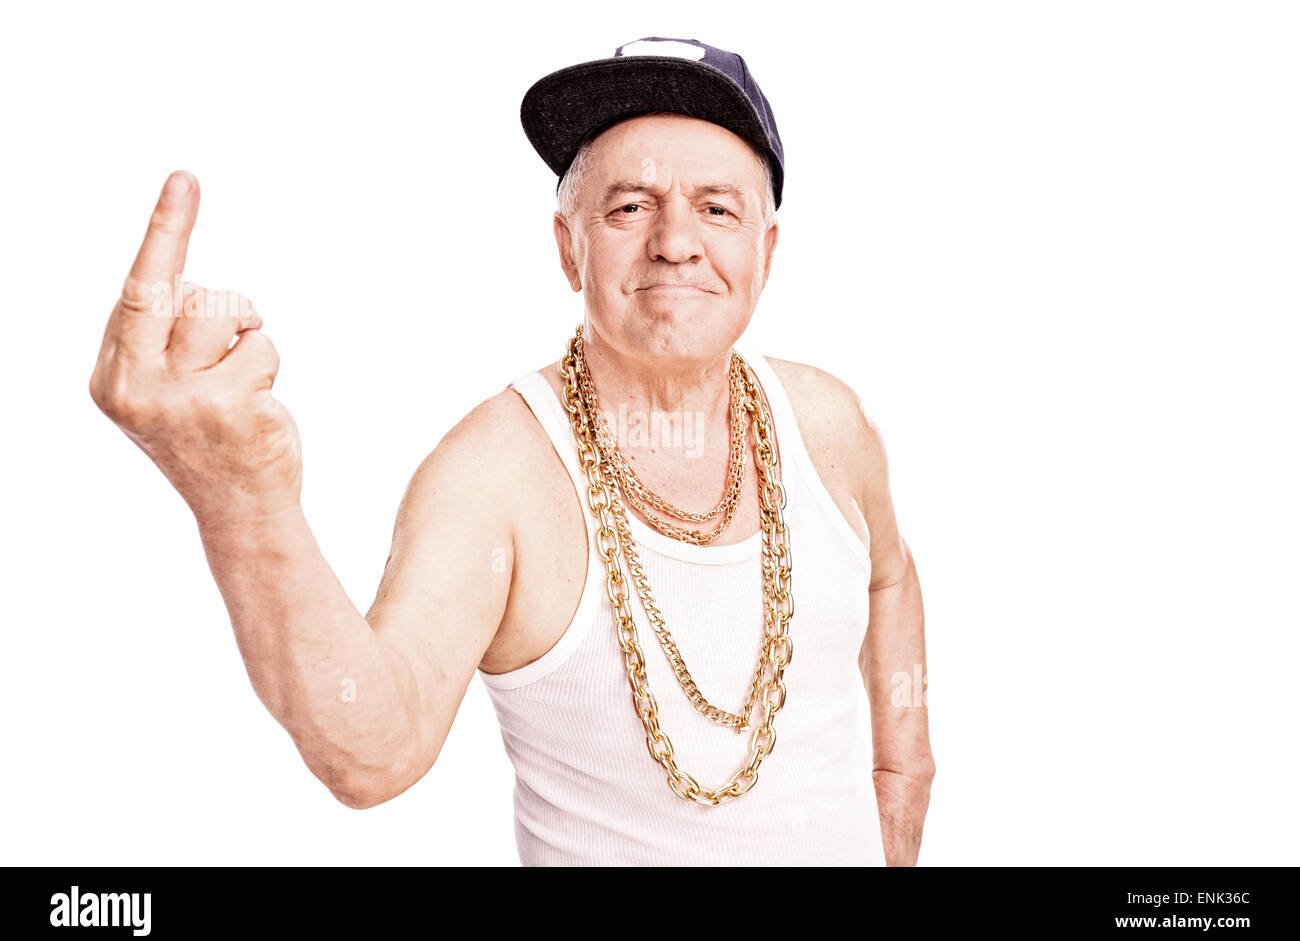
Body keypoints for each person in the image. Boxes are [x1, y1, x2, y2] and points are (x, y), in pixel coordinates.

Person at [88, 36, 934, 866]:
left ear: (765, 252)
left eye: (717, 208)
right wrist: (242, 500)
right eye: (630, 206)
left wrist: (900, 783)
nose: (675, 240)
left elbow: (889, 575)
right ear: (568, 247)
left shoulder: (827, 424)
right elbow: (374, 749)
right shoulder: (496, 477)